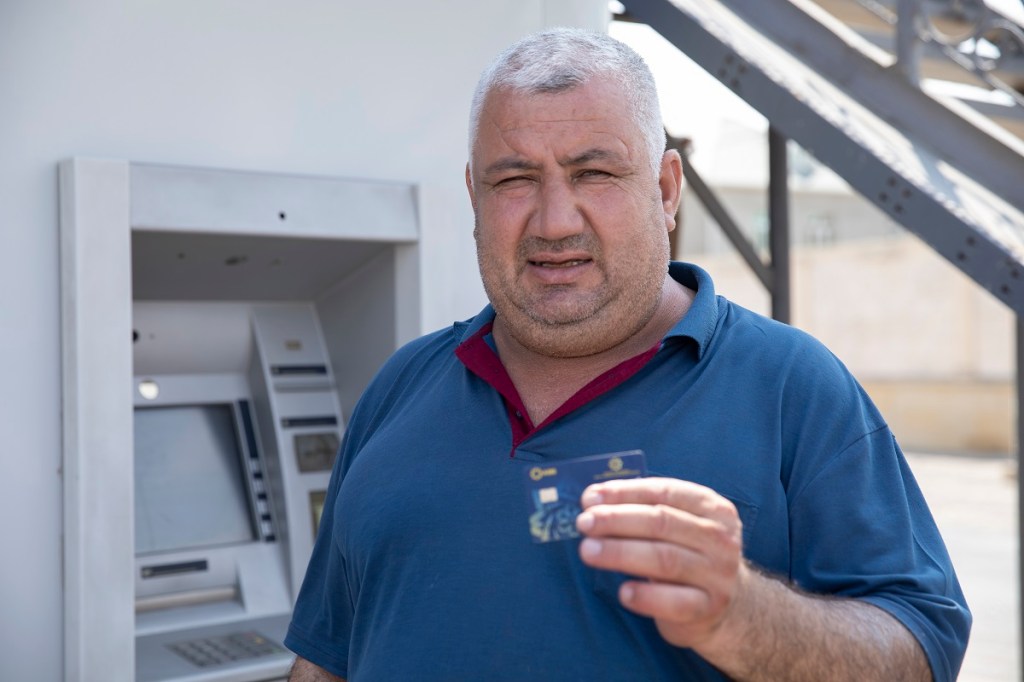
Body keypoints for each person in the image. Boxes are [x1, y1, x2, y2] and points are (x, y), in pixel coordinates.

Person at [284, 27, 970, 681]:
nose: (555, 222)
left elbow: (921, 655)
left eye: (594, 173)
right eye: (514, 180)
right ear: (474, 195)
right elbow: (327, 657)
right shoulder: (401, 387)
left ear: (666, 190)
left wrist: (743, 615)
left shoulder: (793, 387)